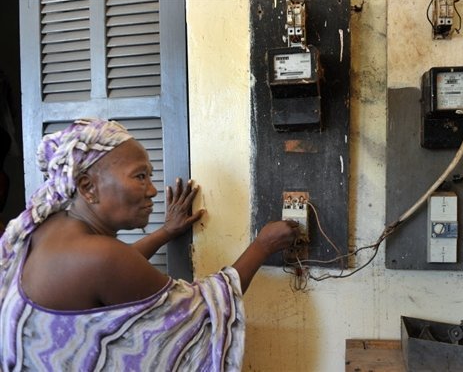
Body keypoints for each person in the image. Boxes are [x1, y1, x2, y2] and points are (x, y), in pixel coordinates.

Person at [0, 118, 300, 371]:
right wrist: (262, 245)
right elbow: (201, 311)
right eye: (140, 176)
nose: (153, 190)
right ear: (88, 187)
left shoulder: (45, 232)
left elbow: (107, 274)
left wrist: (166, 232)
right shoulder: (101, 257)